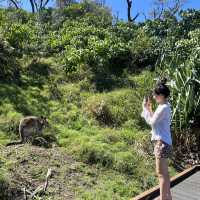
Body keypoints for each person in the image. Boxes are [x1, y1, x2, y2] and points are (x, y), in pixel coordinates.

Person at [141, 78, 173, 200]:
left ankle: (163, 198)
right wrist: (149, 109)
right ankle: (167, 197)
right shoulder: (165, 106)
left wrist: (144, 108)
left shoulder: (163, 107)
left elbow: (151, 122)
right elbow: (156, 120)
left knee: (161, 175)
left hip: (161, 144)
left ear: (161, 95)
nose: (154, 97)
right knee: (165, 174)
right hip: (165, 143)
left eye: (155, 94)